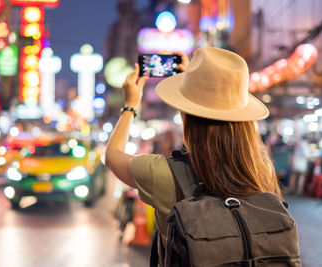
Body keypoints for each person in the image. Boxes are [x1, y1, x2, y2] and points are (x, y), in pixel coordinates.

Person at [105, 47, 282, 265]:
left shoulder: (163, 174)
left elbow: (112, 156)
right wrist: (199, 85)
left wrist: (130, 106)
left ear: (186, 115)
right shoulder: (261, 167)